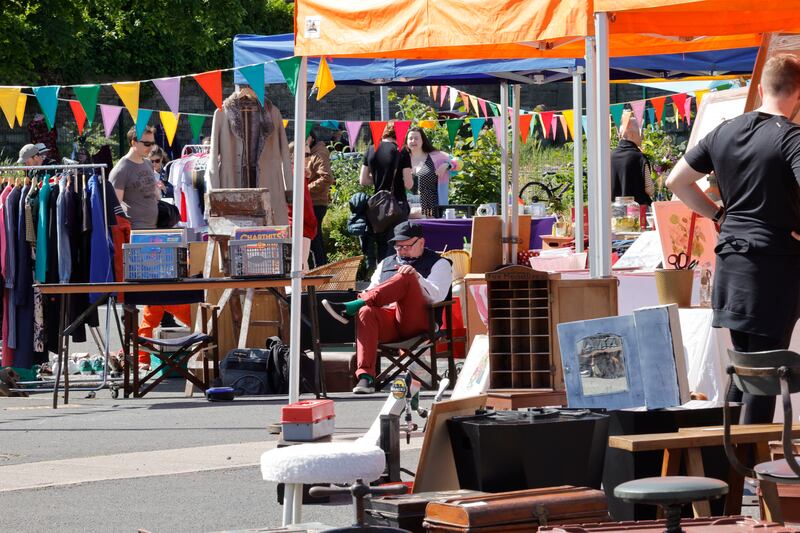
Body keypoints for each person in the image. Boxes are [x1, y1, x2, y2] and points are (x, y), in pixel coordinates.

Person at [665, 54, 800, 424]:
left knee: (744, 369)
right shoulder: (790, 138)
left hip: (732, 262)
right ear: (798, 94)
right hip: (772, 265)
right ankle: (752, 473)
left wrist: (718, 214)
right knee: (766, 372)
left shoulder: (725, 131)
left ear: (760, 89)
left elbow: (675, 181)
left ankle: (732, 467)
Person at [321, 221, 453, 394]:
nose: (402, 250)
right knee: (366, 311)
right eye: (398, 246)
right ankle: (365, 378)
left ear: (421, 242)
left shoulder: (440, 264)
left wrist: (416, 277)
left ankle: (351, 307)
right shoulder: (385, 263)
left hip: (420, 322)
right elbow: (370, 290)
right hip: (390, 321)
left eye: (407, 245)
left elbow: (437, 296)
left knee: (405, 275)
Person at [111, 125, 191, 370]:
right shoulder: (121, 169)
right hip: (136, 241)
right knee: (148, 297)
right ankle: (134, 354)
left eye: (152, 143)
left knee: (157, 295)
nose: (151, 148)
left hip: (155, 236)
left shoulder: (146, 164)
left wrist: (159, 201)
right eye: (146, 144)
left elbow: (152, 195)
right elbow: (115, 207)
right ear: (133, 142)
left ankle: (136, 354)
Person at [359, 122, 414, 270]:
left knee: (382, 247)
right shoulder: (401, 151)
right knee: (396, 245)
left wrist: (379, 181)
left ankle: (380, 277)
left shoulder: (371, 149)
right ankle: (391, 279)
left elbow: (363, 180)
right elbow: (408, 184)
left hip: (377, 208)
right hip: (397, 205)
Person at [404, 126, 450, 217]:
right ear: (406, 142)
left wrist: (446, 165)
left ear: (423, 140)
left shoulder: (436, 156)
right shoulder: (402, 158)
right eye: (410, 138)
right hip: (407, 210)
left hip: (431, 210)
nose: (413, 141)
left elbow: (458, 162)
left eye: (416, 138)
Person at [611, 111, 654, 207]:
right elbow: (649, 189)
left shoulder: (609, 157)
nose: (642, 137)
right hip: (636, 212)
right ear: (632, 135)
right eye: (641, 133)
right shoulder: (639, 157)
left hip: (614, 212)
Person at [306, 129, 334, 267]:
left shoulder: (319, 153)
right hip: (309, 202)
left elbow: (327, 177)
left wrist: (305, 190)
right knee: (312, 239)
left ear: (311, 138)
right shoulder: (309, 153)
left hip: (316, 202)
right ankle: (317, 270)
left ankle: (320, 271)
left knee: (314, 239)